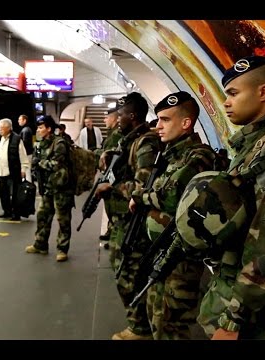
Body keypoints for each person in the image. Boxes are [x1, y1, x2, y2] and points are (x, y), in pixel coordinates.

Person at [193, 55, 265, 340]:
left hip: (257, 313)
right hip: (237, 293)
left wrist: (233, 320)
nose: (226, 102)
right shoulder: (254, 148)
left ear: (263, 92)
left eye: (233, 93)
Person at [130, 91, 218, 340]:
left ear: (186, 123)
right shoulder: (171, 156)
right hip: (163, 251)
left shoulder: (198, 156)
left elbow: (171, 195)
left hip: (181, 256)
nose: (158, 126)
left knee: (172, 324)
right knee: (157, 317)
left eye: (165, 120)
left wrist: (142, 198)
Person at [94, 92, 163, 340]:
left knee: (129, 276)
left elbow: (144, 187)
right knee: (125, 274)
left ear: (132, 116)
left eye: (120, 114)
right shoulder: (128, 140)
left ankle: (139, 328)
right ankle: (139, 324)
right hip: (122, 220)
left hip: (134, 222)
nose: (117, 118)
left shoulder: (146, 143)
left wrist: (112, 187)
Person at [25, 115, 75, 262]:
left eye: (41, 128)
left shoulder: (59, 143)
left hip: (61, 188)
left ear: (49, 128)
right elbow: (36, 162)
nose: (39, 130)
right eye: (38, 128)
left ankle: (62, 249)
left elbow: (57, 164)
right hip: (47, 187)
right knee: (42, 216)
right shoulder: (40, 144)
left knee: (63, 220)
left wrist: (41, 163)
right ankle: (40, 244)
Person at [94, 101, 124, 244]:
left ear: (114, 117)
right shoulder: (112, 133)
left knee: (114, 206)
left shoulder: (117, 135)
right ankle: (111, 230)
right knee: (109, 204)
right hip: (109, 174)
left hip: (114, 176)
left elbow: (113, 155)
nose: (104, 120)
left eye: (107, 117)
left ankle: (113, 232)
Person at [0, 118, 30, 221]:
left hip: (13, 171)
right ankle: (7, 211)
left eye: (1, 128)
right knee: (3, 193)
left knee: (15, 194)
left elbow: (23, 156)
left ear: (8, 128)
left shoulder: (17, 139)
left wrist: (23, 169)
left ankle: (16, 214)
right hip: (1, 171)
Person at [18, 114, 34, 182]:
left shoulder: (25, 130)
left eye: (20, 119)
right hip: (28, 153)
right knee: (27, 171)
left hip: (26, 154)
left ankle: (28, 188)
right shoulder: (27, 129)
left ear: (24, 120)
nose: (18, 121)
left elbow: (24, 143)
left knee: (27, 172)